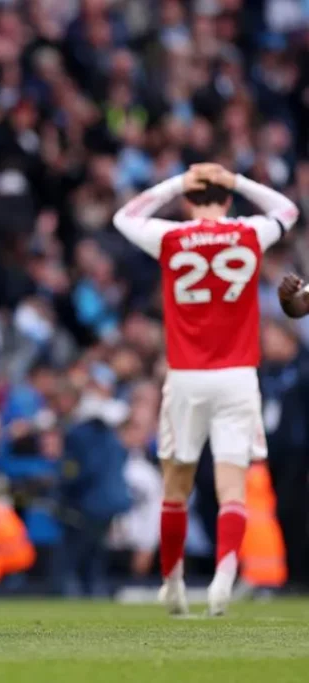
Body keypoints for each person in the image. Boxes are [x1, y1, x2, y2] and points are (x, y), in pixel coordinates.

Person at [112, 162, 299, 616]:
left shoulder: (172, 237)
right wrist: (239, 180)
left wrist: (176, 182)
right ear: (229, 199)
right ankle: (224, 574)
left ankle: (173, 581)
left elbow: (125, 217)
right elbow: (288, 209)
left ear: (189, 200)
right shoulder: (250, 231)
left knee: (177, 486)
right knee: (232, 488)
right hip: (238, 375)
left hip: (186, 376)